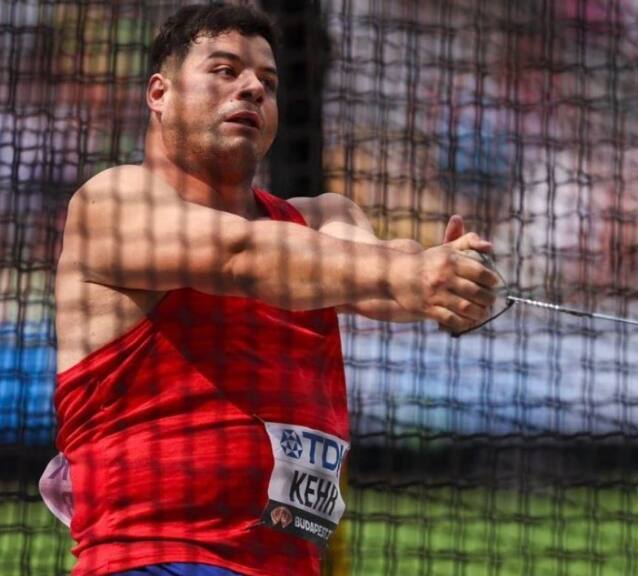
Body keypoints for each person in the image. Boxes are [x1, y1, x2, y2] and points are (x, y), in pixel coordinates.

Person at [40, 4, 499, 576]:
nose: (253, 87)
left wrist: (452, 281)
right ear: (159, 93)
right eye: (225, 71)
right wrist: (410, 277)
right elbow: (240, 255)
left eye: (268, 81)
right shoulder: (113, 201)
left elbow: (388, 271)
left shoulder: (325, 219)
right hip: (159, 559)